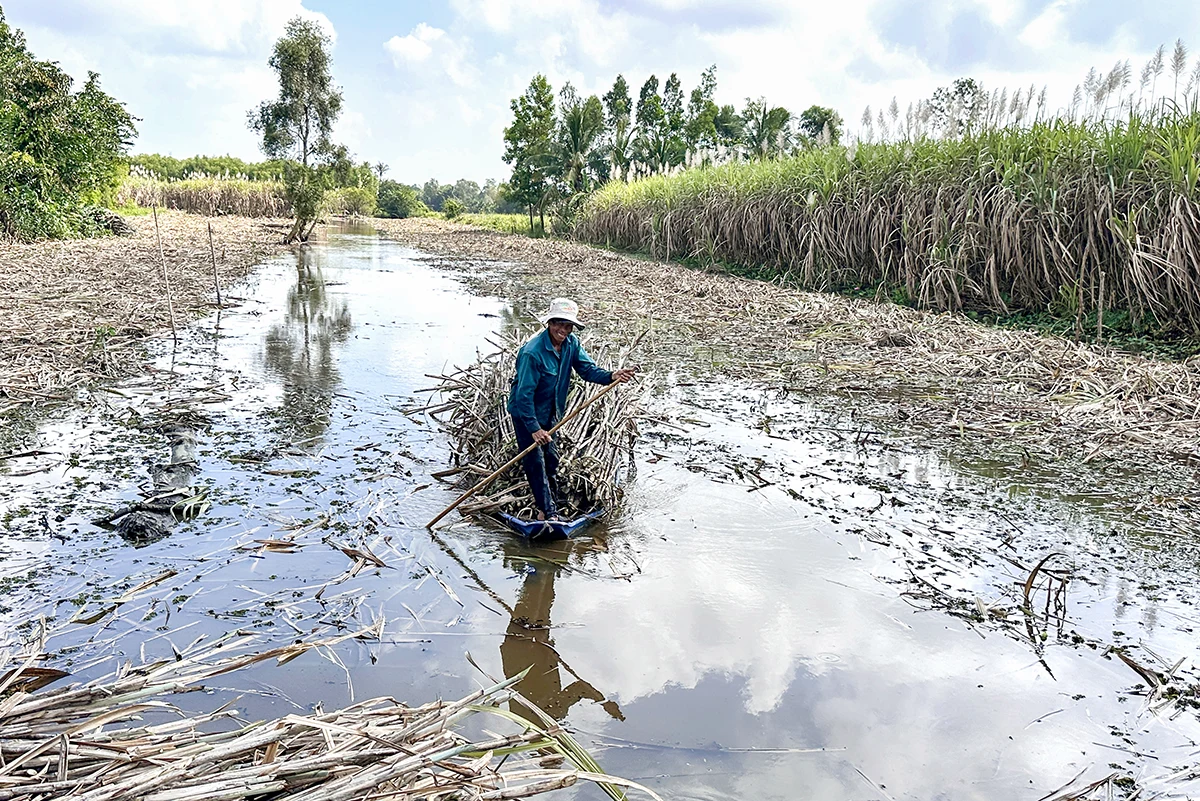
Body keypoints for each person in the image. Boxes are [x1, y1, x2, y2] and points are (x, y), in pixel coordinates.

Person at [507, 298, 635, 521]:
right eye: (559, 324)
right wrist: (534, 429)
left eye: (568, 326)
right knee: (535, 462)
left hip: (551, 413)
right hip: (526, 414)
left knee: (552, 459)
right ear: (549, 323)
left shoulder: (571, 344)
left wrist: (611, 376)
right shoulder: (532, 353)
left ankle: (552, 501)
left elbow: (587, 370)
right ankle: (548, 512)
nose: (563, 330)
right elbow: (523, 395)